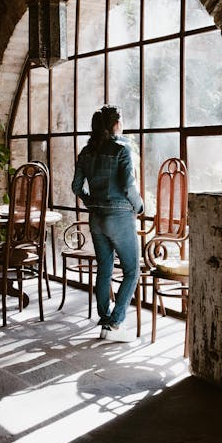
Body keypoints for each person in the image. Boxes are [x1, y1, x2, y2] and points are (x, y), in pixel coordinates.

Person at [71, 104, 144, 341]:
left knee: (104, 269)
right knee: (132, 271)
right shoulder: (122, 148)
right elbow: (128, 185)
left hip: (96, 219)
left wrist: (91, 202)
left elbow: (75, 187)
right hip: (120, 217)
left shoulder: (86, 151)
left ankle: (105, 320)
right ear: (115, 124)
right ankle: (115, 325)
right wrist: (140, 206)